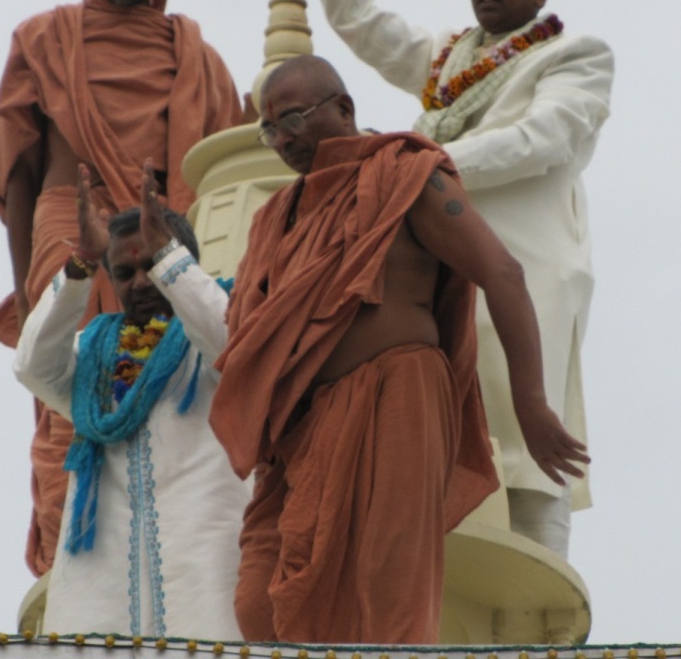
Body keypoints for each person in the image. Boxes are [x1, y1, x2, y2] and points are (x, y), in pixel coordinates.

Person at [208, 56, 589, 644]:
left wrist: (531, 404)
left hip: (398, 394)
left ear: (343, 109)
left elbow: (503, 273)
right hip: (300, 436)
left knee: (390, 591)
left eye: (293, 119)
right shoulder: (273, 221)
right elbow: (248, 339)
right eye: (271, 129)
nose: (282, 139)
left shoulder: (405, 173)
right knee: (259, 604)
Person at [309, 0, 613, 558]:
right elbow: (359, 21)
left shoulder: (575, 54)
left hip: (527, 267)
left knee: (526, 446)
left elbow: (544, 140)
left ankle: (542, 605)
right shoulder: (448, 59)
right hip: (439, 267)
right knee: (432, 443)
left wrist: (417, 163)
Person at [0, 0, 248, 577]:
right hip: (68, 233)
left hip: (155, 248)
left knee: (166, 384)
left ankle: (157, 559)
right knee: (69, 394)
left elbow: (221, 179)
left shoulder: (198, 57)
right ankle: (66, 560)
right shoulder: (45, 38)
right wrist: (24, 292)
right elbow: (17, 171)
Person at [14, 162, 250, 640]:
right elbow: (32, 365)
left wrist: (172, 265)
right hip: (102, 575)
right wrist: (81, 263)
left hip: (206, 559)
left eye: (153, 264)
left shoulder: (216, 332)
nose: (141, 282)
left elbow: (233, 346)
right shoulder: (94, 356)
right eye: (124, 271)